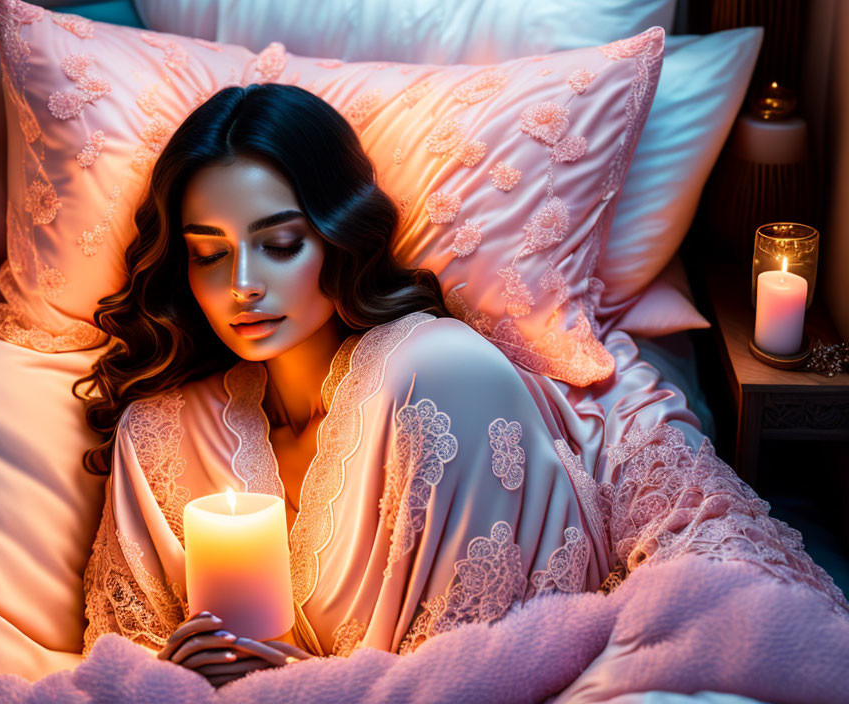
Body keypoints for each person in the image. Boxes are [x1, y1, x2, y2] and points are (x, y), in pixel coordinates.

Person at [71, 81, 669, 689]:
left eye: (279, 245)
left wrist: (303, 686)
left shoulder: (436, 380)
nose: (242, 284)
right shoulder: (160, 437)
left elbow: (478, 676)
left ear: (340, 235)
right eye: (208, 253)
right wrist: (178, 674)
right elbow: (123, 667)